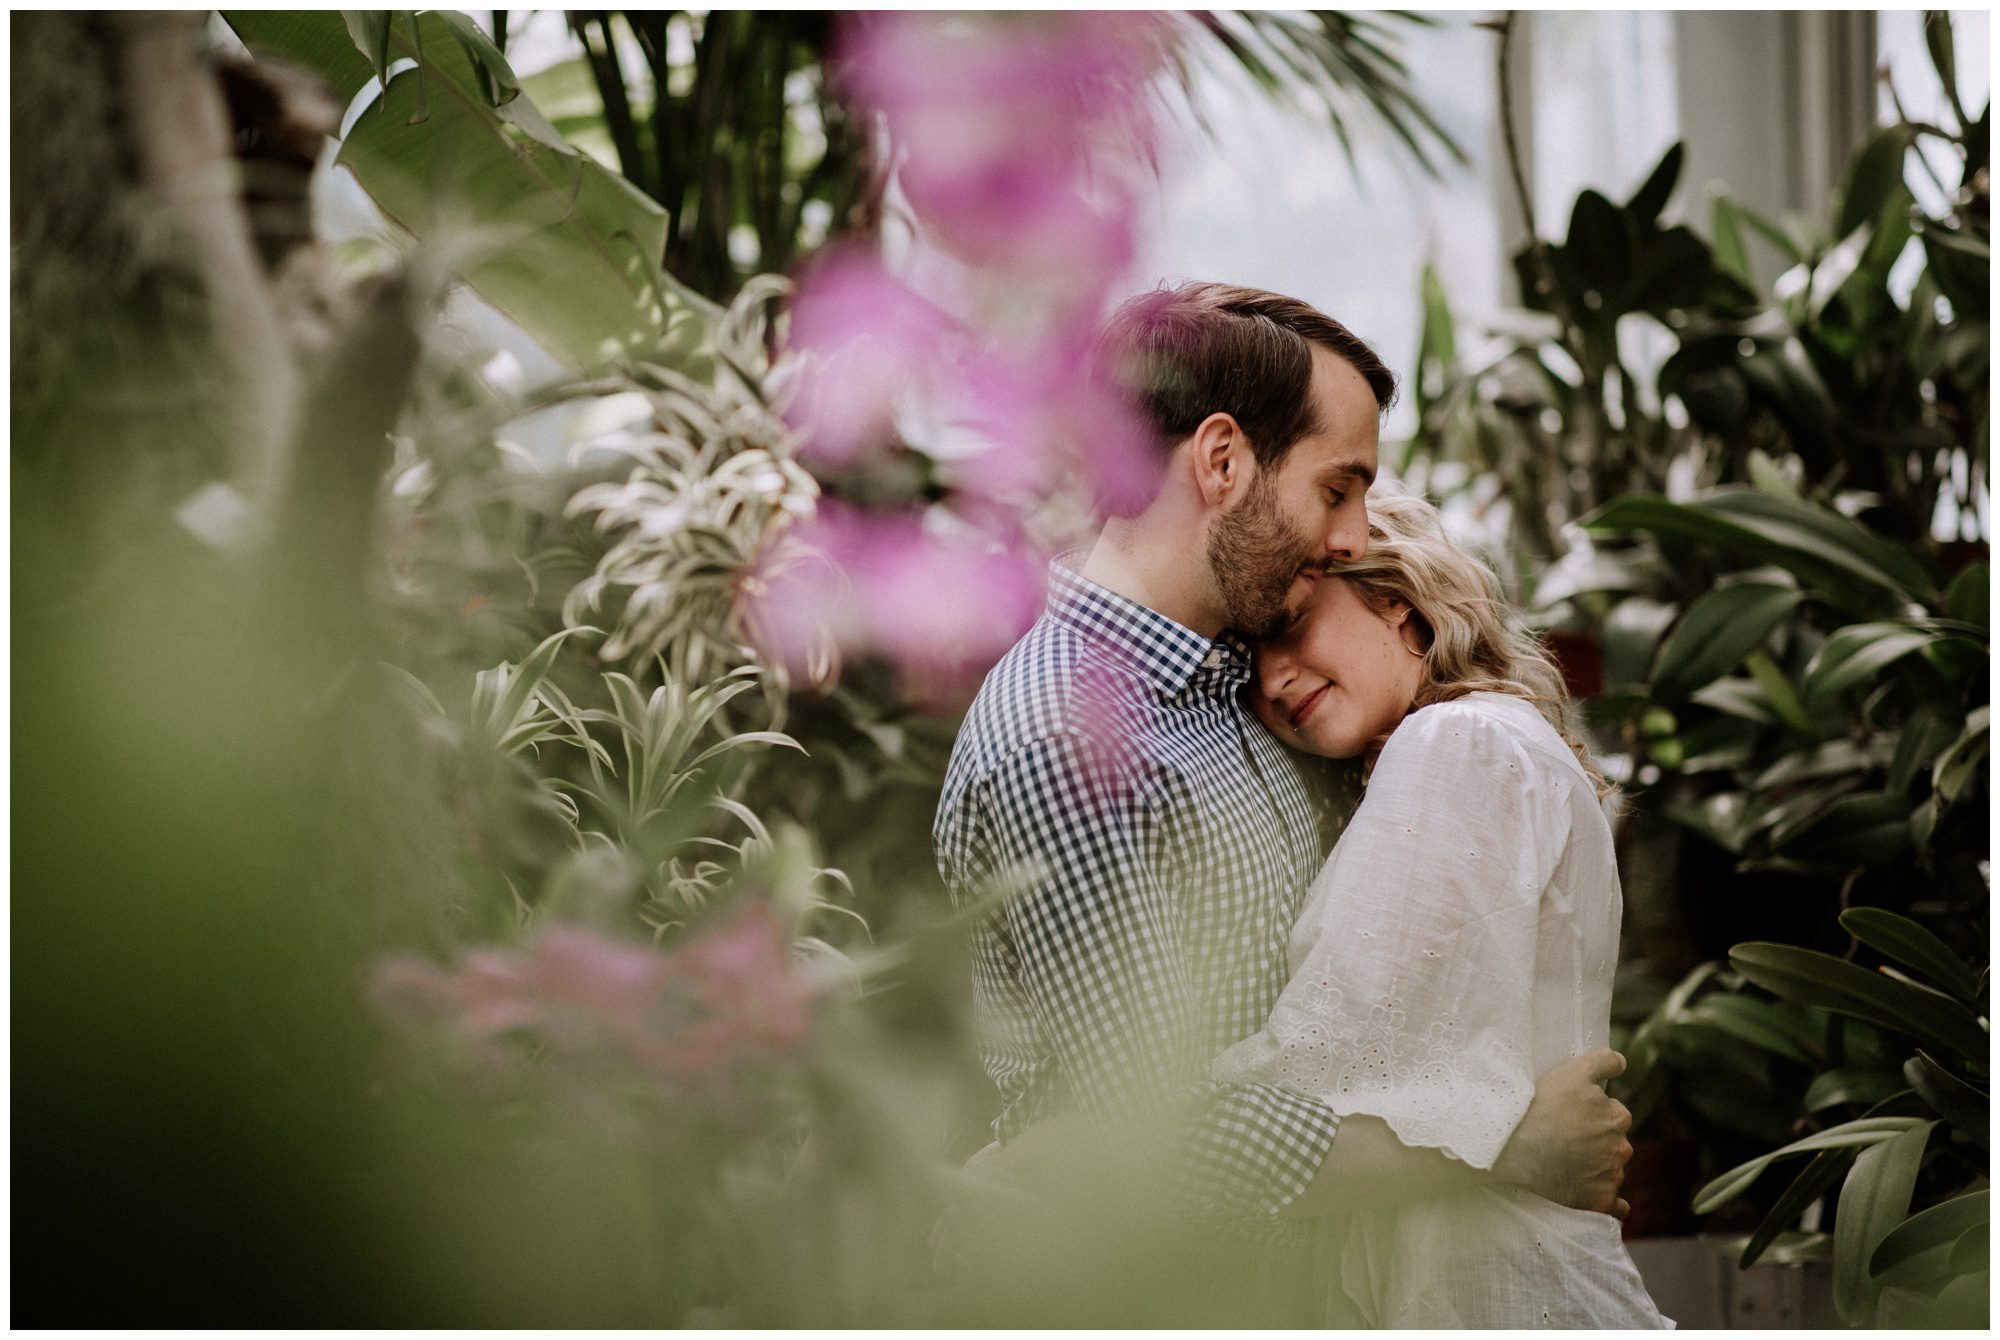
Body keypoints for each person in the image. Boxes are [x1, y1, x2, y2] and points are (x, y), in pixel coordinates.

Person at [931, 283, 1632, 1305]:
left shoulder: (1236, 688)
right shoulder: (1068, 742)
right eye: (1336, 487)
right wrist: (1499, 1144)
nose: (1349, 534)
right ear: (1220, 461)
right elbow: (1150, 1144)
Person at [1216, 487, 1670, 1327]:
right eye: (1245, 666)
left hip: (1497, 1291)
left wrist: (1089, 1144)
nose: (1271, 682)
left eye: (1287, 625)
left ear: (1394, 599)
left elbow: (1328, 1080)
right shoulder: (1491, 742)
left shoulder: (1460, 746)